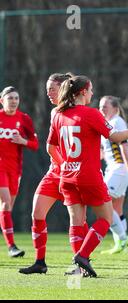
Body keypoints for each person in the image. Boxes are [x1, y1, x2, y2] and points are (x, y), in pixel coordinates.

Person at [46, 75, 128, 277]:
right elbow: (117, 137)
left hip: (67, 177)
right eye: (90, 90)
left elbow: (50, 148)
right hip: (88, 176)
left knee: (76, 222)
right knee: (105, 218)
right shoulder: (91, 114)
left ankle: (79, 269)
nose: (92, 94)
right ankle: (82, 257)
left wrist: (65, 166)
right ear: (82, 92)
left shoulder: (59, 115)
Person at [18, 73, 90, 275]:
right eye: (47, 89)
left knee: (78, 221)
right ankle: (40, 262)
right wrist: (61, 165)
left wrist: (71, 167)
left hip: (72, 174)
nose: (48, 92)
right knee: (37, 213)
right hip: (55, 172)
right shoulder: (55, 112)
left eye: (52, 88)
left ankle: (81, 265)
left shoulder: (80, 112)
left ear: (64, 88)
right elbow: (52, 146)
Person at [98, 96, 128, 254]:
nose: (102, 109)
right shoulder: (108, 124)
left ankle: (123, 238)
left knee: (103, 202)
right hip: (115, 169)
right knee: (117, 208)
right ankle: (120, 244)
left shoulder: (117, 122)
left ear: (115, 108)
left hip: (120, 170)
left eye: (105, 106)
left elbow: (124, 147)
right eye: (100, 106)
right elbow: (106, 152)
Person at [0, 86, 39, 257]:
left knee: (7, 209)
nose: (14, 101)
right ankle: (11, 247)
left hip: (15, 169)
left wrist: (23, 141)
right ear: (2, 101)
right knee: (6, 203)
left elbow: (35, 144)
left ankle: (9, 244)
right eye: (10, 98)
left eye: (16, 98)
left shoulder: (24, 119)